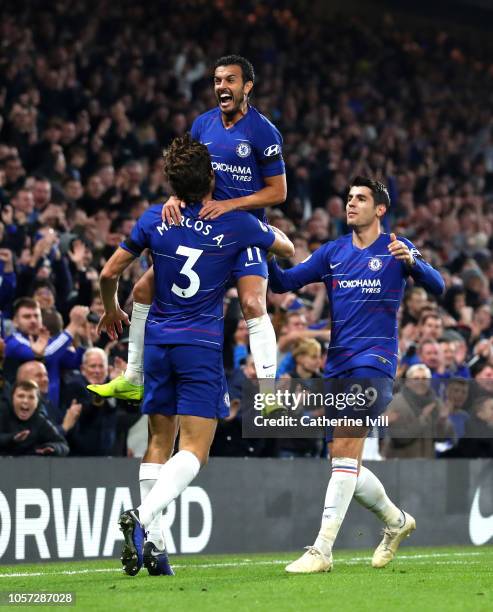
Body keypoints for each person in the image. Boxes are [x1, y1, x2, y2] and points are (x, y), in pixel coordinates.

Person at [93, 135, 294, 576]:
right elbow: (286, 249)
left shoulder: (154, 219)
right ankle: (142, 519)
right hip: (199, 346)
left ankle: (158, 551)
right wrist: (256, 224)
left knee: (158, 443)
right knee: (195, 451)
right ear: (213, 177)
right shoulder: (235, 224)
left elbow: (110, 272)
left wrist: (112, 307)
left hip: (158, 343)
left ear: (171, 184)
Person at [267, 176, 444, 573]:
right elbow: (282, 283)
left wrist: (413, 262)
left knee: (345, 453)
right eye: (348, 198)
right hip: (337, 366)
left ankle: (322, 551)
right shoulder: (332, 253)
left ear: (380, 209)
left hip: (375, 362)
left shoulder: (395, 247)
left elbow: (439, 286)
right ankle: (396, 521)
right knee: (344, 461)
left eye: (360, 199)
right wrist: (263, 246)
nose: (351, 204)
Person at [90, 54, 286, 401]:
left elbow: (278, 192)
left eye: (230, 80)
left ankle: (269, 392)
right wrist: (173, 196)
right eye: (217, 80)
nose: (222, 87)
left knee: (254, 303)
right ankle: (133, 377)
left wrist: (230, 204)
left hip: (241, 232)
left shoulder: (264, 132)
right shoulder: (203, 125)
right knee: (142, 290)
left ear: (247, 86)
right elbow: (188, 167)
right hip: (197, 226)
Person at [0, 380, 69, 457]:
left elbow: (63, 445)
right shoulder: (3, 414)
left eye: (31, 397)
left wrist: (52, 448)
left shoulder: (40, 421)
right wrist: (13, 438)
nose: (25, 401)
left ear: (37, 403)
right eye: (21, 396)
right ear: (12, 399)